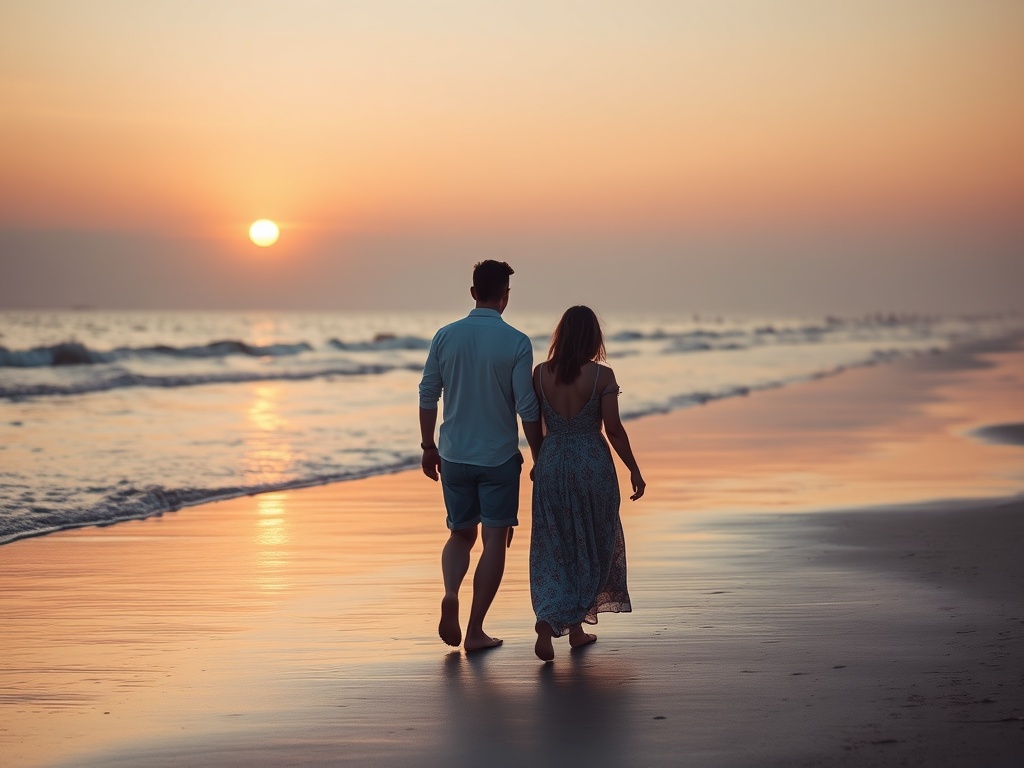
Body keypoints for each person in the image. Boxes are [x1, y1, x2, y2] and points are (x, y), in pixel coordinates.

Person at [419, 260, 544, 652]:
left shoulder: (445, 336)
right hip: (498, 458)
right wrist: (540, 455)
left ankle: (451, 592)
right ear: (505, 295)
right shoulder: (517, 341)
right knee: (494, 540)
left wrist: (428, 446)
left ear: (473, 292)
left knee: (459, 533)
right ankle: (474, 630)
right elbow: (527, 406)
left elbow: (427, 393)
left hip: (453, 454)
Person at [530, 305, 645, 662]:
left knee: (554, 545)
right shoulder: (602, 377)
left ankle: (558, 624)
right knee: (593, 542)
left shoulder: (540, 374)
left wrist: (540, 458)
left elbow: (532, 422)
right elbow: (613, 429)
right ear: (594, 337)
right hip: (591, 464)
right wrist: (634, 469)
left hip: (552, 462)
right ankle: (567, 623)